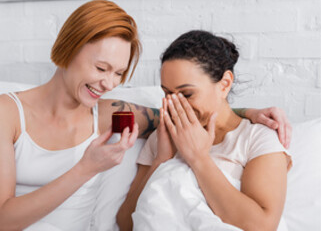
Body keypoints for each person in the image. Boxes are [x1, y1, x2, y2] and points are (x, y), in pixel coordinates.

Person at [0, 0, 290, 230]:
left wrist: (246, 112)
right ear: (68, 48)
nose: (109, 83)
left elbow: (192, 115)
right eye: (101, 68)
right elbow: (1, 219)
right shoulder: (3, 111)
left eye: (118, 74)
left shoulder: (110, 114)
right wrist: (91, 166)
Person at [118, 30, 291, 230]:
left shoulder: (256, 138)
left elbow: (263, 225)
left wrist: (198, 158)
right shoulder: (162, 138)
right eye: (167, 94)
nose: (176, 104)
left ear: (224, 84)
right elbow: (126, 223)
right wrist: (162, 159)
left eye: (187, 93)